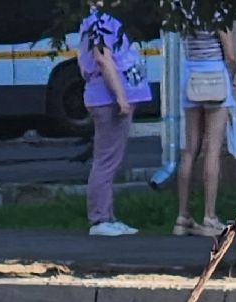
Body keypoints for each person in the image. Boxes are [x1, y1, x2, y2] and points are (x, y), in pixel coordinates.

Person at [78, 3, 152, 238]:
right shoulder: (100, 22)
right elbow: (103, 59)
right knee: (106, 160)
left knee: (110, 159)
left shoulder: (99, 21)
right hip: (107, 98)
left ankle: (107, 216)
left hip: (105, 97)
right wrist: (121, 97)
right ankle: (100, 218)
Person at [175, 16, 236, 238]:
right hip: (215, 76)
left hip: (190, 75)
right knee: (212, 149)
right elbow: (230, 54)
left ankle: (183, 217)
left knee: (190, 149)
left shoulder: (183, 8)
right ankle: (209, 217)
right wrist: (233, 76)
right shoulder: (216, 10)